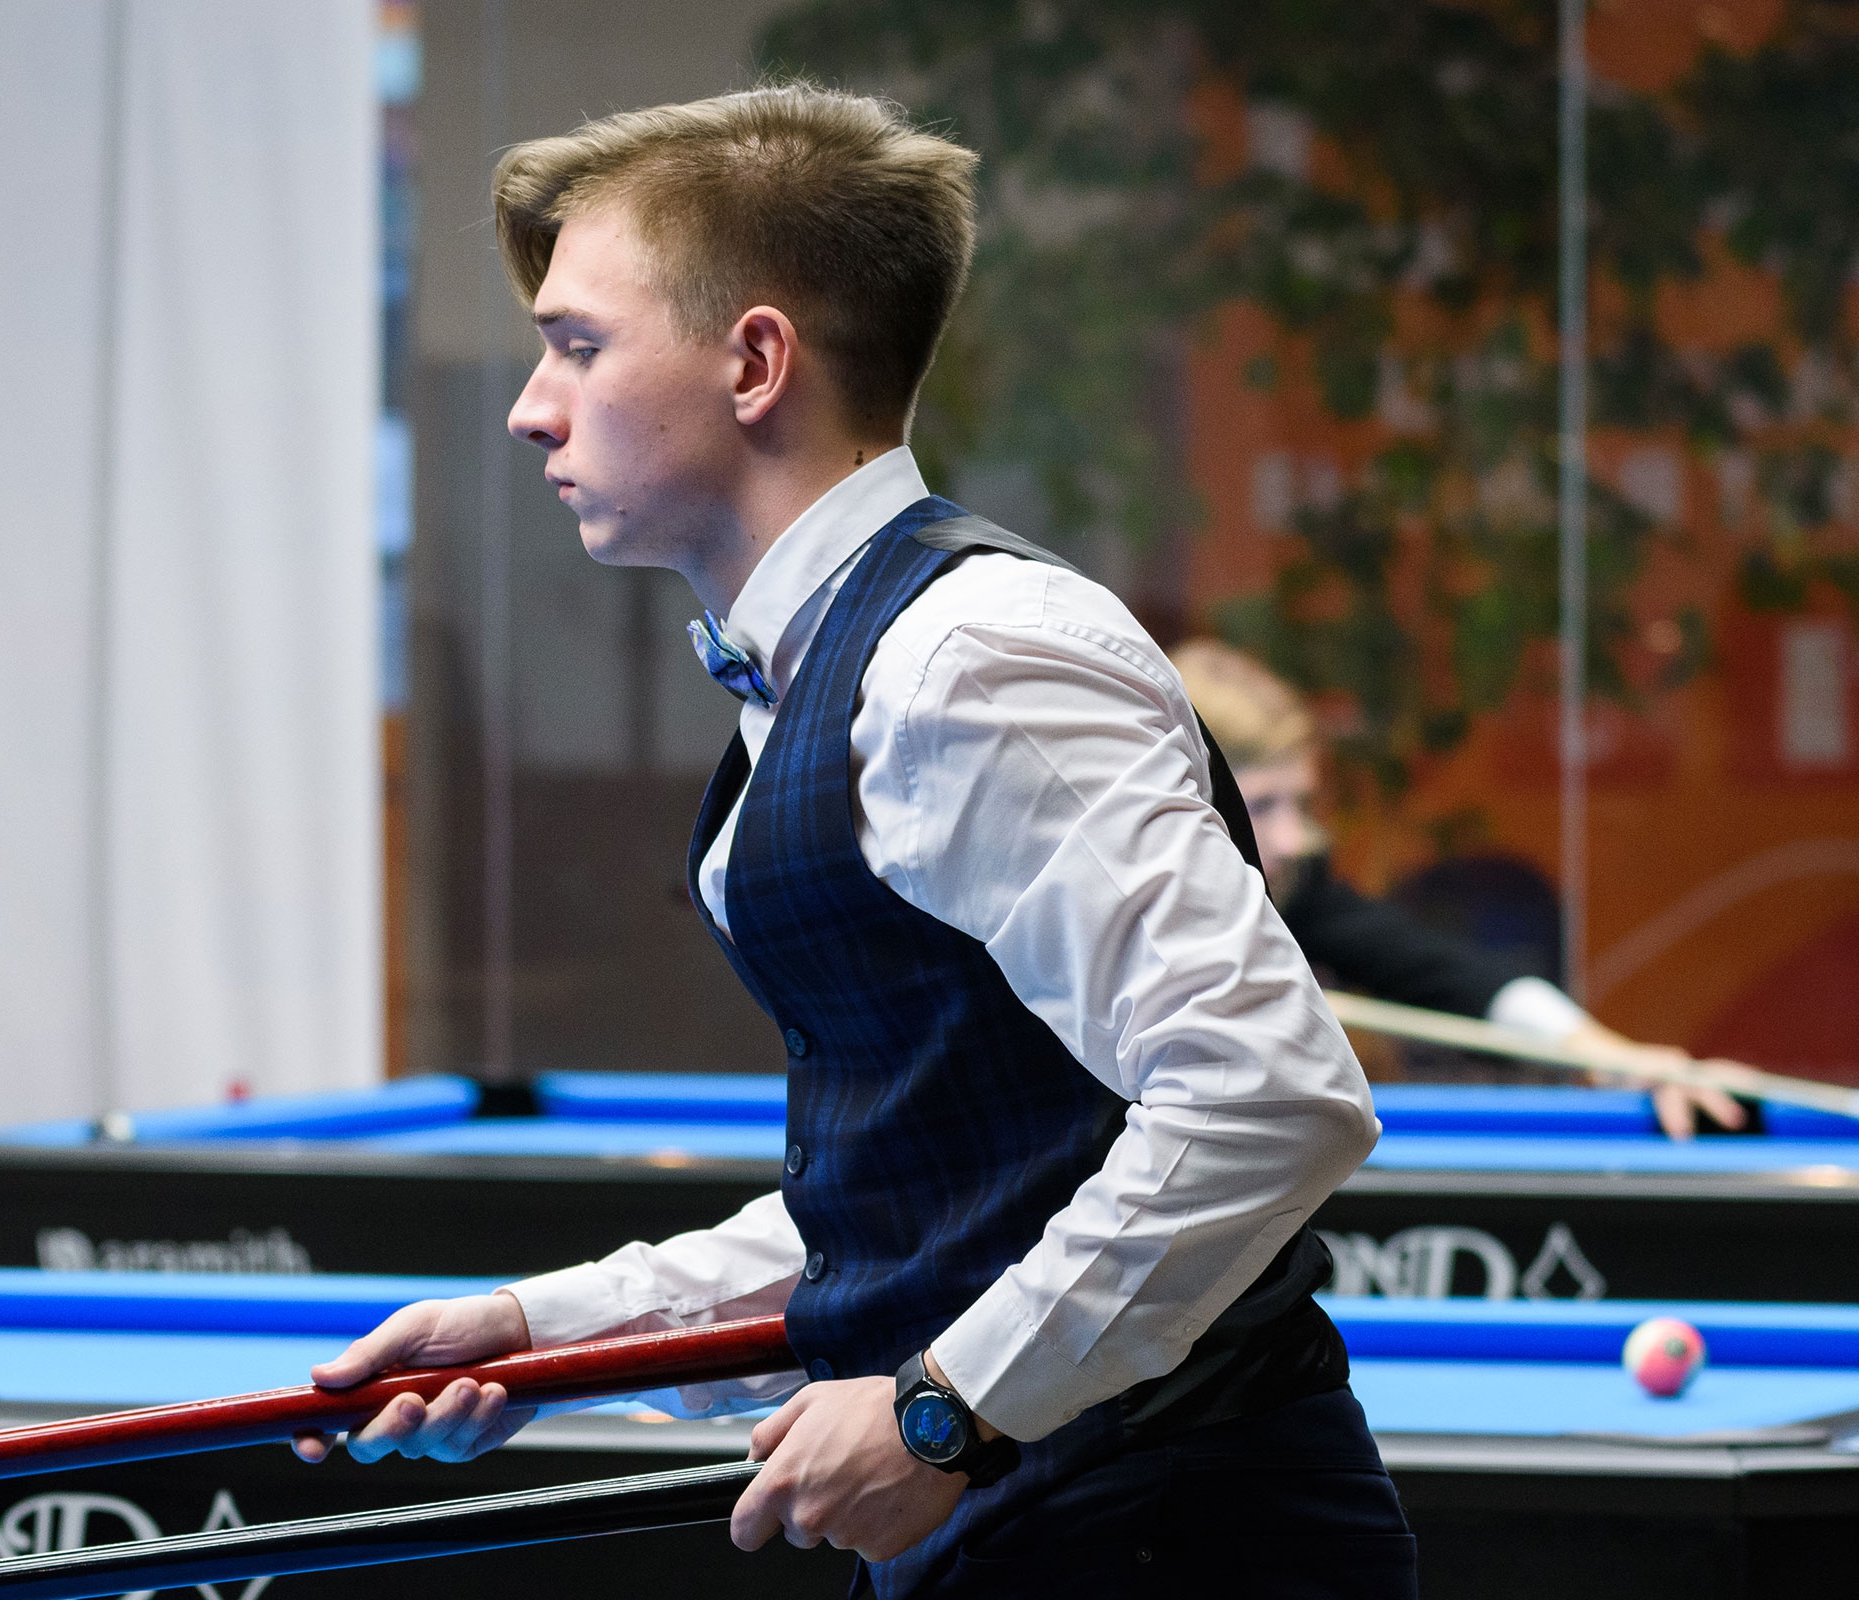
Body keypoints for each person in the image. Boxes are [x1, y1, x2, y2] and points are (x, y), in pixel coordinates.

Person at [292, 86, 1415, 1597]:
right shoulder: (837, 663)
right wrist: (541, 1332)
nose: (530, 406)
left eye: (579, 345)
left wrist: (945, 1411)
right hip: (1057, 1525)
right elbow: (934, 1206)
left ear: (757, 362)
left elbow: (1268, 1093)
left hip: (1168, 1536)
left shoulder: (970, 659)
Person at [1167, 639, 1744, 1142]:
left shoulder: (1292, 887)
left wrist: (1606, 1054)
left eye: (1300, 802)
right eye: (1262, 805)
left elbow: (1442, 971)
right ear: (1190, 800)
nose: (1293, 839)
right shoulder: (1127, 898)